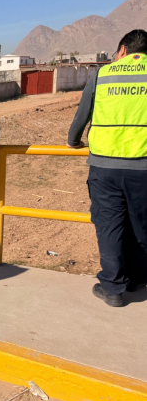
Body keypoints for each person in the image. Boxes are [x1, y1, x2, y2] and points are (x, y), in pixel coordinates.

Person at [67, 29, 147, 307]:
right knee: (141, 224)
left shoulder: (102, 74)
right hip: (143, 166)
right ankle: (138, 279)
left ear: (123, 49)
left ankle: (112, 287)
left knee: (109, 226)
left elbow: (82, 115)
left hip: (105, 166)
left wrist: (73, 141)